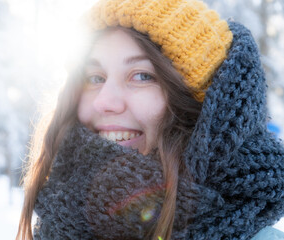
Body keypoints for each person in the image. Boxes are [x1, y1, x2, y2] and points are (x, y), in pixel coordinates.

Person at [16, 0, 284, 239]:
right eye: (95, 78)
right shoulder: (57, 218)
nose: (104, 102)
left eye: (142, 76)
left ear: (203, 108)